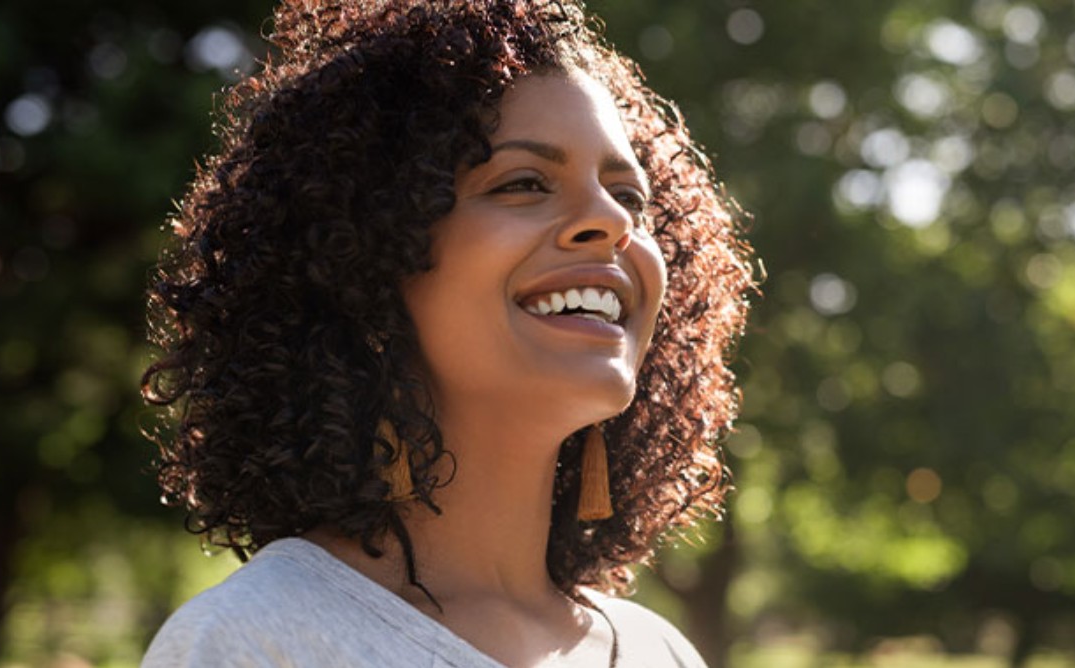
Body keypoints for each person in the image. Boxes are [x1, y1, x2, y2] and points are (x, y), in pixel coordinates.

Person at [139, 0, 753, 666]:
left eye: (629, 196)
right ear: (369, 263)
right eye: (524, 183)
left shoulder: (661, 652)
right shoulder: (255, 641)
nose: (611, 221)